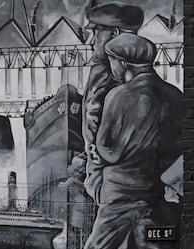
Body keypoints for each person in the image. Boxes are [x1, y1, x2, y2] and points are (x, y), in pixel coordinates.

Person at [71, 33, 182, 249]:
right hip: (157, 196)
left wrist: (95, 151)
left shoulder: (118, 96)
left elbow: (108, 149)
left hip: (119, 194)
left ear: (122, 63)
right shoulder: (175, 96)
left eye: (112, 61)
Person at [81, 1, 144, 203]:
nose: (90, 42)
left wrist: (98, 183)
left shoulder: (104, 73)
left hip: (112, 188)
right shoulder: (142, 71)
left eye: (96, 33)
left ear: (114, 34)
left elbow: (94, 127)